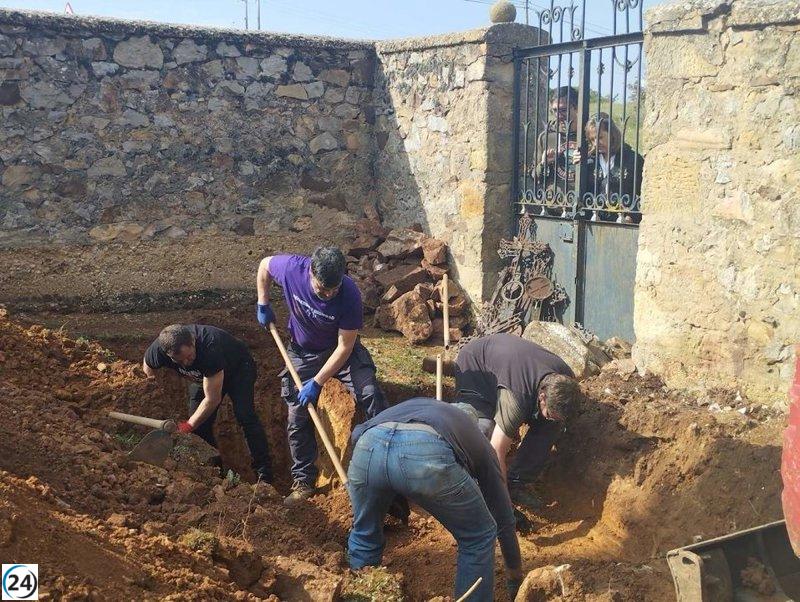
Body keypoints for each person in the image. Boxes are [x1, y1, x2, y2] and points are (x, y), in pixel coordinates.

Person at [347, 398, 524, 601]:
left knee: (364, 533)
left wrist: (376, 487)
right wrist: (515, 577)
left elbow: (358, 435)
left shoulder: (422, 406)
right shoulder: (474, 436)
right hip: (424, 453)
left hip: (367, 446)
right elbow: (503, 515)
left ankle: (357, 595)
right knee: (479, 536)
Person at [255, 246, 387, 505]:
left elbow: (345, 347)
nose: (328, 295)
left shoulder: (349, 294)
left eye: (332, 290)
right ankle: (303, 481)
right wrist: (263, 302)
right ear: (311, 273)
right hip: (302, 352)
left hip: (341, 352)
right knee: (297, 415)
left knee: (371, 394)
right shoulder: (292, 269)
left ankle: (386, 468)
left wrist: (317, 382)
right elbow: (264, 265)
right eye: (322, 289)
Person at [454, 333, 580, 509]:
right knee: (483, 428)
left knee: (551, 426)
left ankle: (517, 483)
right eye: (549, 413)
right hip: (477, 366)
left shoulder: (566, 379)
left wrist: (552, 418)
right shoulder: (516, 399)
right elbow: (496, 450)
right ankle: (469, 482)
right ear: (542, 397)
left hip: (512, 366)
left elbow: (555, 415)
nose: (551, 417)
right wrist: (504, 506)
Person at [142, 324, 273, 483]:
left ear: (193, 341)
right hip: (204, 377)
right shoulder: (158, 351)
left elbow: (212, 399)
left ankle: (264, 474)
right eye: (180, 360)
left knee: (245, 415)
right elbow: (148, 366)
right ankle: (216, 474)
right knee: (201, 427)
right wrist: (153, 392)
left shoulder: (209, 348)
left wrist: (187, 426)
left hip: (238, 370)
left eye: (189, 356)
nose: (186, 362)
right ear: (168, 355)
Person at [573, 112, 644, 222]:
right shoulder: (590, 162)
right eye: (592, 139)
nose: (596, 143)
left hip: (624, 224)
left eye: (600, 137)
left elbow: (644, 194)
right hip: (592, 223)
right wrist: (577, 167)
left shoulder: (632, 159)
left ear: (612, 134)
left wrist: (631, 217)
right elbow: (580, 193)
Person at [531, 85, 579, 209]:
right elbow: (534, 176)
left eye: (563, 110)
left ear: (577, 108)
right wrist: (543, 164)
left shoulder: (589, 136)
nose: (558, 115)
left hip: (585, 208)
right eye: (555, 110)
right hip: (553, 209)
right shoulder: (546, 137)